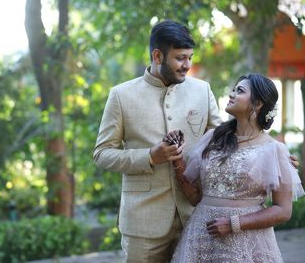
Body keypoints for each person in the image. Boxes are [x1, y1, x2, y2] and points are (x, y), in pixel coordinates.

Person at [93, 19, 222, 262]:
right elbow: (102, 153)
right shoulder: (121, 96)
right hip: (143, 224)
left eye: (190, 57)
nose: (187, 65)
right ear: (157, 55)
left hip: (193, 216)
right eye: (180, 58)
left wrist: (270, 151)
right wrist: (150, 156)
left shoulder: (202, 90)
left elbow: (224, 140)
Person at [169, 73, 305, 262]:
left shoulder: (274, 150)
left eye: (239, 91)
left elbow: (283, 210)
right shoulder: (213, 138)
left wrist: (234, 224)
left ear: (257, 104)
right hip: (201, 235)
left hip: (245, 241)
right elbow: (195, 197)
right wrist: (176, 159)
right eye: (234, 89)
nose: (232, 94)